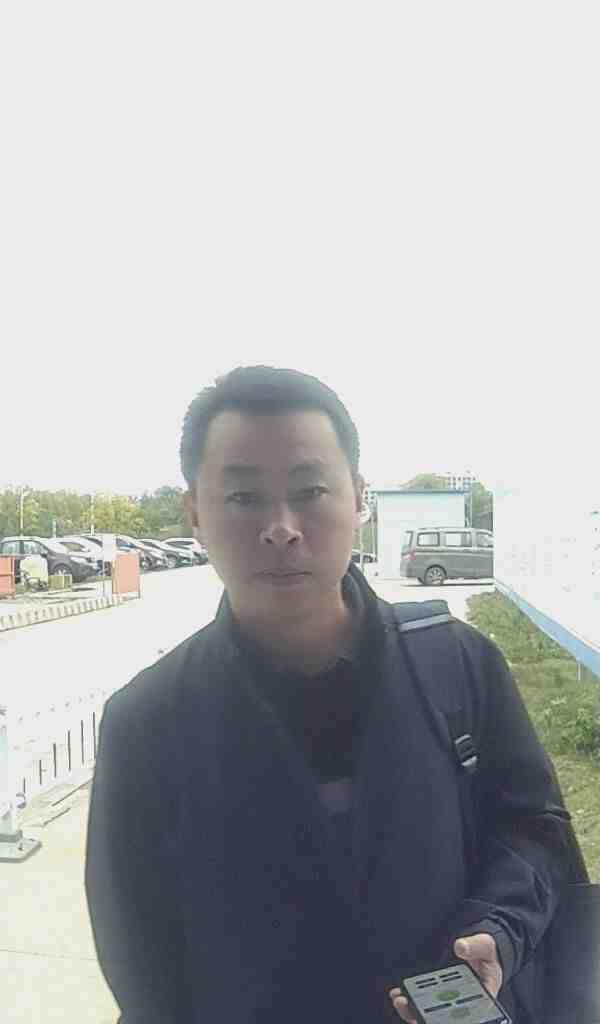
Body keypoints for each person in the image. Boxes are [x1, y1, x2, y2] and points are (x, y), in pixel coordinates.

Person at [85, 365, 574, 1024]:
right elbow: (140, 958)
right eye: (243, 497)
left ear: (358, 497)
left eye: (309, 490)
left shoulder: (458, 665)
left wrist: (498, 929)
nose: (281, 528)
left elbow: (533, 828)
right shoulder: (146, 723)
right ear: (195, 513)